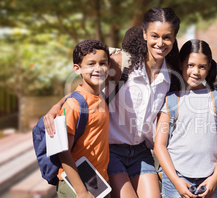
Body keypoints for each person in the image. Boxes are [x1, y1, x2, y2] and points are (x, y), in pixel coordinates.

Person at [44, 7, 181, 198]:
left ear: (174, 38)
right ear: (144, 34)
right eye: (154, 36)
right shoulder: (121, 65)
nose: (160, 43)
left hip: (141, 152)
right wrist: (55, 107)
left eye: (167, 37)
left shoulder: (171, 75)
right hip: (111, 150)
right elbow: (85, 90)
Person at [154, 39, 217, 198]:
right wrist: (175, 181)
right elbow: (159, 145)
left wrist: (215, 179)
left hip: (210, 179)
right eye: (190, 65)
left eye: (201, 66)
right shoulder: (171, 100)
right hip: (177, 179)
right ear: (181, 64)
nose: (195, 71)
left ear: (209, 67)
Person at [57, 39, 110, 198]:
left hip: (98, 182)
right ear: (77, 69)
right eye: (91, 64)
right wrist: (81, 191)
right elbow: (63, 150)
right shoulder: (74, 104)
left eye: (103, 63)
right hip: (76, 186)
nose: (98, 68)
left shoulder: (101, 96)